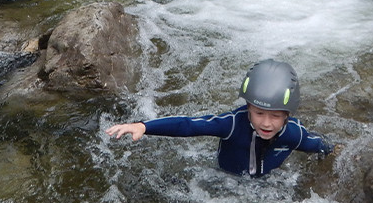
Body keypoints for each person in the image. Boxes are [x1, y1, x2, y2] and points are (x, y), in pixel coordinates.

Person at [104, 59, 333, 178]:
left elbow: (319, 145)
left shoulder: (294, 134)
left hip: (268, 185)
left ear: (287, 115)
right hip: (224, 180)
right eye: (259, 113)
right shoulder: (232, 124)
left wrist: (333, 151)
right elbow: (189, 125)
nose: (266, 123)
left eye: (275, 116)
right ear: (248, 107)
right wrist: (143, 126)